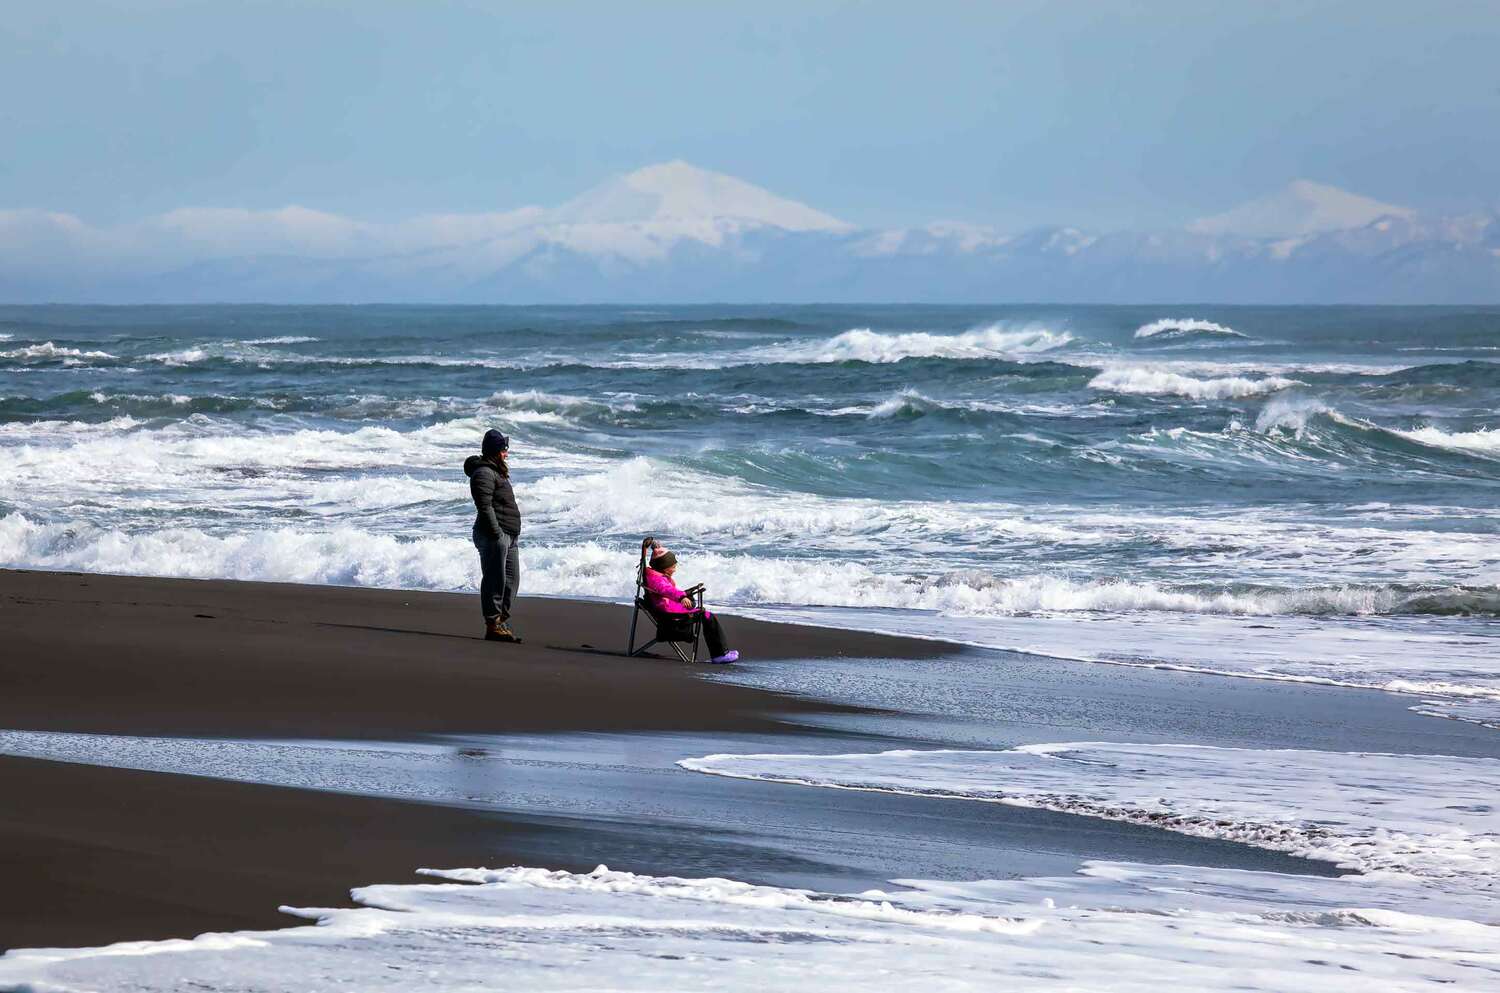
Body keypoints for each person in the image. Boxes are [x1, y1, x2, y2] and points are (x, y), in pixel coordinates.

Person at [464, 429, 522, 643]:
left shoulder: (496, 471)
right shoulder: (484, 473)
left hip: (509, 535)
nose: (507, 453)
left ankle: (500, 620)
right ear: (496, 451)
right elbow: (484, 507)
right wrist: (497, 534)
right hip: (493, 536)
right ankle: (492, 624)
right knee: (494, 581)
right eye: (504, 449)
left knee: (511, 581)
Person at [643, 546, 739, 663]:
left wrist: (655, 546)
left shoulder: (654, 575)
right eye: (673, 567)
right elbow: (667, 590)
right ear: (664, 567)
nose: (675, 569)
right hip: (670, 615)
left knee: (694, 604)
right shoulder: (658, 580)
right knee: (708, 616)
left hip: (668, 610)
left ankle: (720, 654)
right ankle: (720, 655)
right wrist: (681, 596)